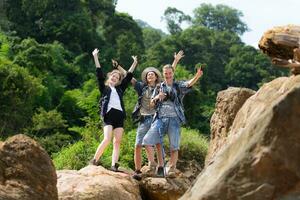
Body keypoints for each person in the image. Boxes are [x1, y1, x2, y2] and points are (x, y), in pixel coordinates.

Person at [143, 54, 203, 177]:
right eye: (166, 73)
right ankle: (153, 164)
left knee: (174, 146)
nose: (168, 75)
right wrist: (157, 97)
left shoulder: (177, 86)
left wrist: (197, 76)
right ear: (163, 74)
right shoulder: (159, 86)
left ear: (172, 73)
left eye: (170, 73)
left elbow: (188, 84)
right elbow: (150, 103)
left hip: (174, 119)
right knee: (147, 141)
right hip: (160, 119)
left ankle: (171, 168)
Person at [89, 48, 137, 172]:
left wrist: (134, 63)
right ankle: (94, 160)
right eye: (113, 76)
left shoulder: (120, 89)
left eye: (117, 77)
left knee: (117, 142)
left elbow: (129, 76)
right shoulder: (104, 88)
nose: (115, 77)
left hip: (119, 116)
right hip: (108, 116)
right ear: (109, 77)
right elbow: (99, 73)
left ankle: (114, 165)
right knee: (107, 139)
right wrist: (95, 57)